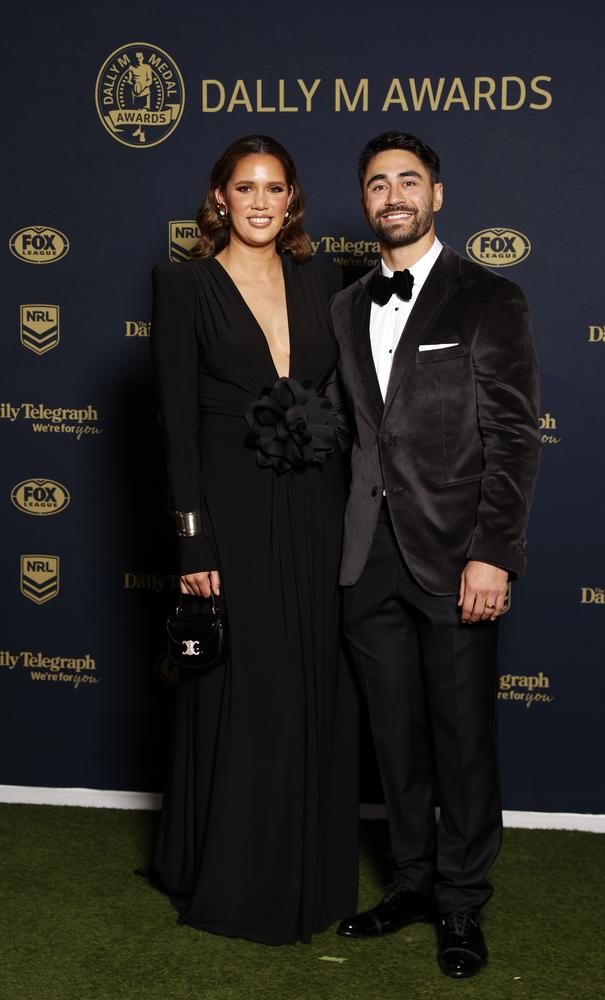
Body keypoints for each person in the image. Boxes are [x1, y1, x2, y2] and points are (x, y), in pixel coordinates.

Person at [330, 131, 540, 978]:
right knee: (395, 739)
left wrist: (494, 553)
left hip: (455, 556)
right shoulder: (345, 307)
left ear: (438, 195)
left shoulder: (489, 296)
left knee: (462, 739)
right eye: (378, 183)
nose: (393, 195)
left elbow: (515, 435)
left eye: (408, 181)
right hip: (364, 558)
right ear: (365, 200)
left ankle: (461, 902)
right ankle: (412, 881)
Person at [148, 135, 358, 945]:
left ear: (293, 199)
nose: (262, 202)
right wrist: (192, 543)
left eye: (276, 188)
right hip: (229, 512)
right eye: (246, 188)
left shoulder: (323, 278)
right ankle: (234, 872)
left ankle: (309, 868)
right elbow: (176, 426)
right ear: (220, 198)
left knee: (307, 676)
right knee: (247, 683)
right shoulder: (182, 283)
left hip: (314, 503)